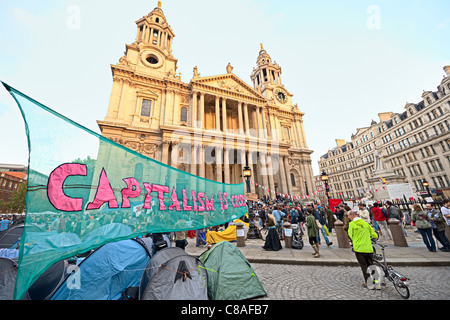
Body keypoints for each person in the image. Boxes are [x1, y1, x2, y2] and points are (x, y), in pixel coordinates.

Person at [347, 210, 378, 288]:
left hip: (359, 248)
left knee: (364, 266)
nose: (348, 217)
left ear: (353, 215)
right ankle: (376, 282)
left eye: (348, 216)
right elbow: (374, 235)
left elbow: (351, 235)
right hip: (368, 248)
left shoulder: (352, 224)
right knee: (371, 265)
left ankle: (368, 283)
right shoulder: (365, 223)